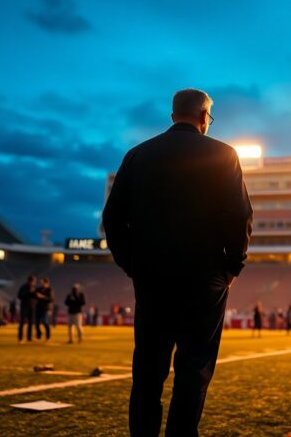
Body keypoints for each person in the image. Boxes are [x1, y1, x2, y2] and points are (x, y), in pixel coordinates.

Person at [103, 88, 253, 436]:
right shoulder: (223, 154)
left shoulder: (137, 155)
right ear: (204, 117)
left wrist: (132, 265)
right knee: (194, 369)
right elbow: (240, 215)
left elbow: (113, 218)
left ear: (173, 117)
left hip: (152, 277)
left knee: (148, 371)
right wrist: (232, 267)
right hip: (204, 278)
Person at [17, 276, 37, 343]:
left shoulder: (34, 288)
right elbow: (19, 296)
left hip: (32, 307)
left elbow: (36, 297)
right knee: (22, 322)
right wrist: (29, 292)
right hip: (24, 307)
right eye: (33, 281)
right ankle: (20, 338)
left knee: (31, 323)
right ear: (30, 281)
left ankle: (29, 337)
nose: (34, 283)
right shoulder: (23, 287)